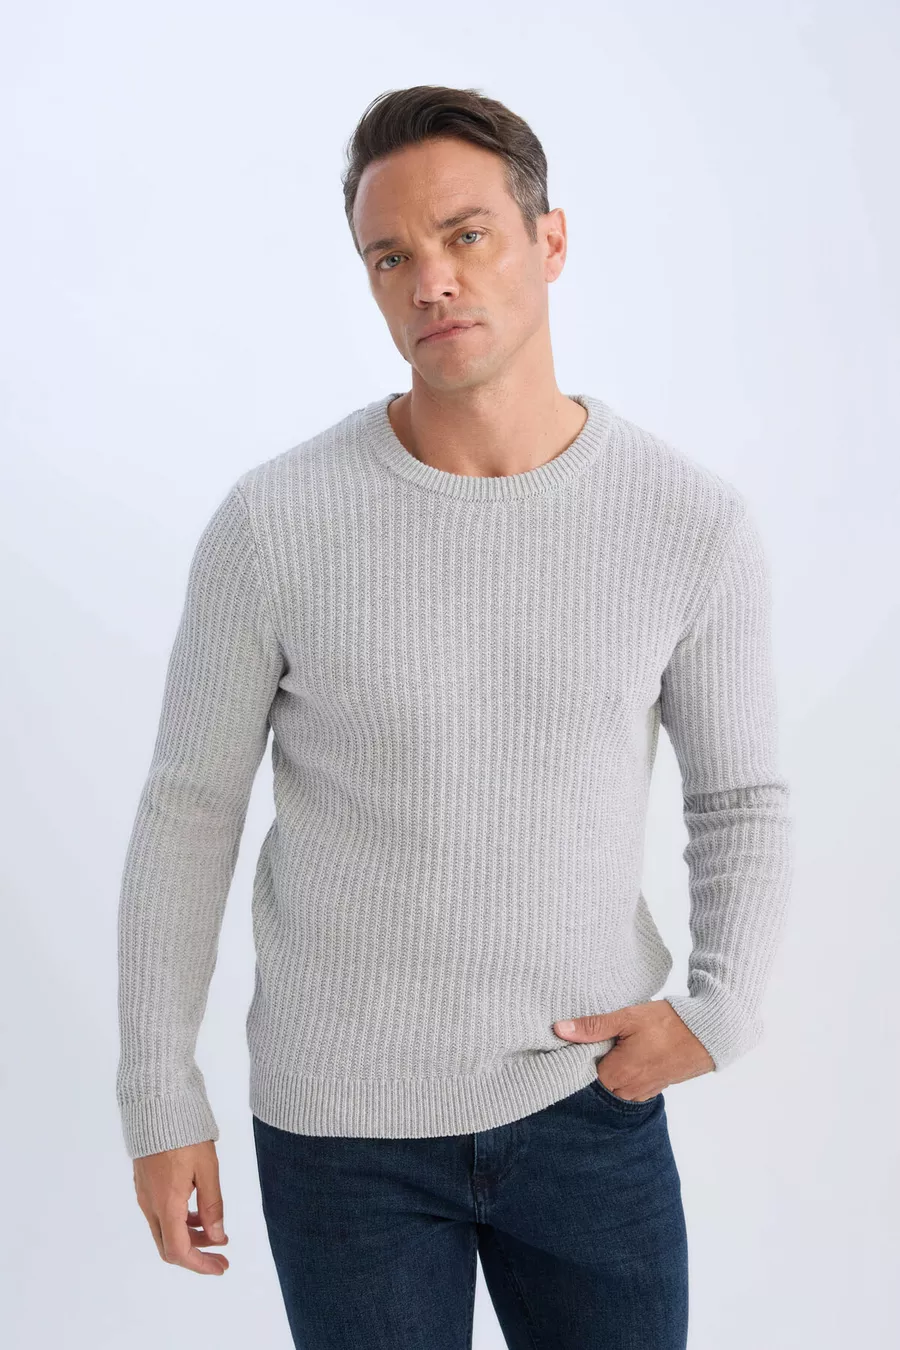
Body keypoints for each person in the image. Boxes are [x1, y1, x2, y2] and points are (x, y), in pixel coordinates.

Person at [117, 84, 794, 1349]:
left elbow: (740, 797)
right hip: (342, 1140)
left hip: (588, 1107)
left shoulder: (687, 523)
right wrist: (161, 1096)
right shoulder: (276, 525)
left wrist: (722, 1009)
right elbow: (188, 812)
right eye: (391, 256)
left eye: (466, 234)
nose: (431, 279)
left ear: (549, 241)